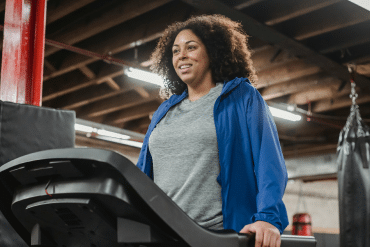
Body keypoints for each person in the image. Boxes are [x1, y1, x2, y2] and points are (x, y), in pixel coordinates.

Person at [136, 14, 289, 247]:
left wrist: (268, 218)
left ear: (213, 52)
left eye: (191, 47)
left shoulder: (242, 98)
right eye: (176, 51)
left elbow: (269, 162)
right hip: (162, 235)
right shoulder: (164, 111)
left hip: (215, 236)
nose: (182, 56)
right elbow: (142, 174)